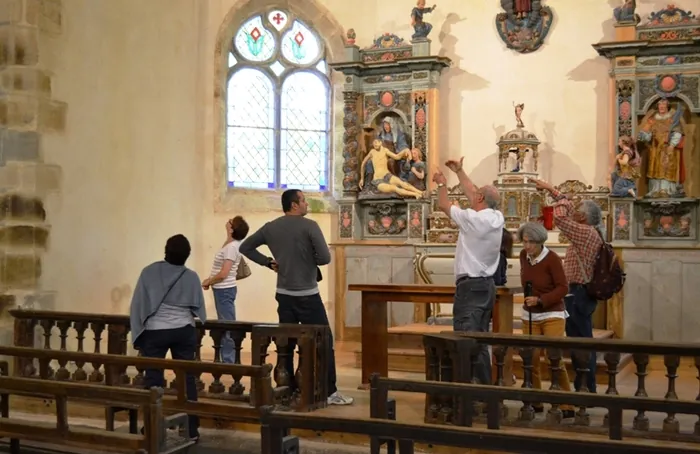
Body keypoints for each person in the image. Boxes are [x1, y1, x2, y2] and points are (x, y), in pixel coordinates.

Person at [240, 189, 354, 406]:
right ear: (294, 205)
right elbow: (325, 258)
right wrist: (307, 258)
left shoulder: (271, 227)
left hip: (283, 294)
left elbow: (246, 247)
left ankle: (287, 388)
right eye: (303, 200)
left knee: (287, 341)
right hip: (307, 295)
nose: (306, 204)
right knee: (324, 340)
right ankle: (329, 391)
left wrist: (268, 262)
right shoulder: (309, 226)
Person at [433, 157, 505, 385]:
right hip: (486, 287)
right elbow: (474, 192)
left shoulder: (472, 219)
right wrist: (460, 171)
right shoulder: (496, 217)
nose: (472, 194)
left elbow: (444, 205)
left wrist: (442, 184)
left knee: (464, 341)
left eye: (476, 194)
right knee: (479, 342)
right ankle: (483, 393)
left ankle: (468, 396)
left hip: (470, 288)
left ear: (480, 198)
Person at [129, 234, 206, 442]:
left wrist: (139, 333)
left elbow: (138, 304)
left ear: (166, 251)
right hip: (183, 330)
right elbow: (198, 306)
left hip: (155, 331)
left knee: (153, 378)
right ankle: (191, 429)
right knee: (187, 378)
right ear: (186, 255)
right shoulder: (191, 276)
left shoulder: (149, 272)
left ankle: (152, 427)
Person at [534, 179, 602, 393]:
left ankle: (586, 387)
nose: (575, 210)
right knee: (578, 340)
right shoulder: (587, 230)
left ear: (583, 217)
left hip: (579, 294)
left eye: (578, 210)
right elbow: (569, 211)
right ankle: (583, 384)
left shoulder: (586, 232)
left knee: (581, 342)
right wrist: (550, 189)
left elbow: (561, 218)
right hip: (577, 293)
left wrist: (560, 199)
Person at [517, 222, 575, 419]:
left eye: (531, 242)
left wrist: (541, 300)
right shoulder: (524, 256)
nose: (527, 246)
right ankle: (535, 400)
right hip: (530, 315)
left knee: (554, 358)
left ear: (540, 242)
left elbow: (563, 288)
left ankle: (566, 403)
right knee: (530, 359)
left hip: (552, 314)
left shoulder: (552, 259)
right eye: (524, 242)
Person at [202, 216, 249, 364]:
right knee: (225, 324)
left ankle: (229, 361)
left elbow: (224, 273)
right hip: (222, 290)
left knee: (227, 325)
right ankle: (226, 358)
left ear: (231, 228)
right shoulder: (230, 244)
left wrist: (209, 281)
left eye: (230, 221)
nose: (227, 221)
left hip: (224, 290)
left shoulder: (232, 247)